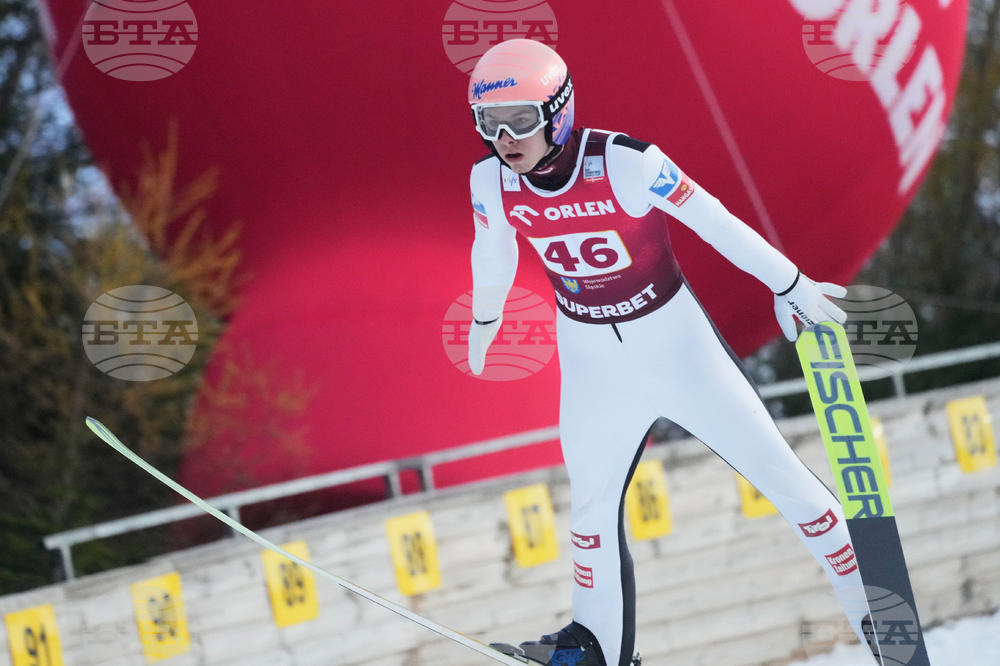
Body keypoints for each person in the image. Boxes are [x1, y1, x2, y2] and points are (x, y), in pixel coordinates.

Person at [465, 39, 873, 666]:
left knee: (786, 483)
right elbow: (492, 252)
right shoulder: (489, 180)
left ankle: (879, 615)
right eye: (489, 123)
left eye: (521, 118)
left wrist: (788, 283)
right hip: (594, 360)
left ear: (559, 110)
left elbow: (713, 219)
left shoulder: (624, 161)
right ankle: (595, 645)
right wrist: (486, 316)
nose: (505, 136)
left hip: (677, 349)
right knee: (590, 509)